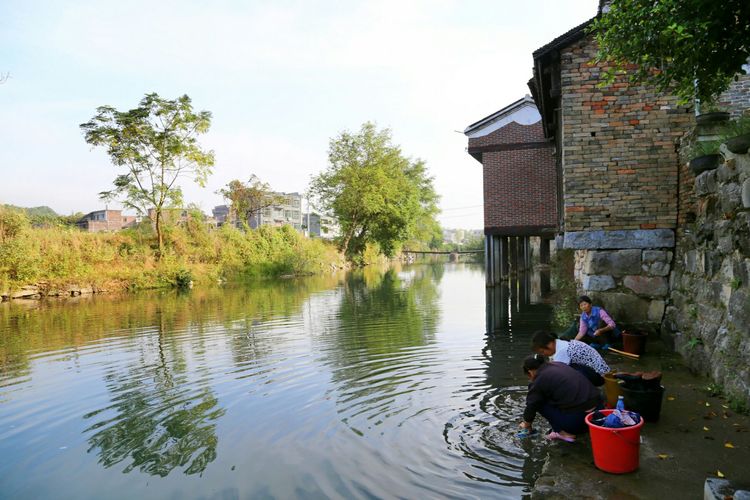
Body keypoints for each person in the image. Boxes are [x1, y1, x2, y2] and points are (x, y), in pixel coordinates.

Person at [518, 354, 602, 442]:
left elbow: (531, 406)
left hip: (580, 423)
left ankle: (564, 433)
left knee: (539, 402)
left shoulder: (539, 379)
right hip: (599, 414)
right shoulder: (559, 365)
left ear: (530, 371)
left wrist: (527, 425)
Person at [531, 330, 611, 386]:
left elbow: (558, 375)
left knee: (563, 376)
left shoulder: (562, 350)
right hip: (598, 372)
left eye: (542, 351)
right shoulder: (560, 343)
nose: (543, 354)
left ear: (549, 345)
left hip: (601, 377)